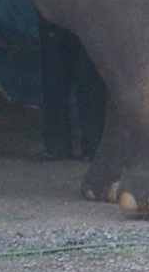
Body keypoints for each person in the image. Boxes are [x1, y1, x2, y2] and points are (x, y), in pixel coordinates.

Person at [36, 16, 107, 162]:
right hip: (53, 18)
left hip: (88, 18)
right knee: (53, 80)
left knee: (89, 82)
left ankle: (93, 146)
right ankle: (56, 145)